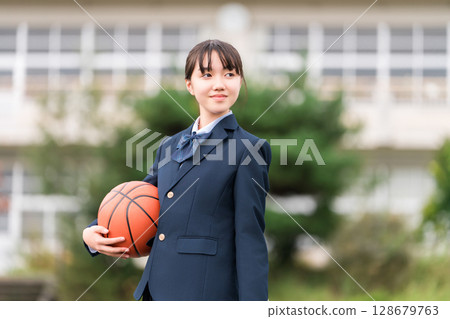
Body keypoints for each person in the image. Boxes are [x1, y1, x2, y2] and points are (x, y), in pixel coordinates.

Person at [82, 39, 271, 301]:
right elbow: (140, 196)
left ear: (240, 81)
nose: (219, 84)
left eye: (229, 74)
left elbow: (250, 239)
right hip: (154, 292)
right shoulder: (170, 145)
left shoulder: (249, 149)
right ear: (190, 85)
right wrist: (92, 232)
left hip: (205, 295)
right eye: (207, 74)